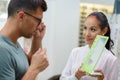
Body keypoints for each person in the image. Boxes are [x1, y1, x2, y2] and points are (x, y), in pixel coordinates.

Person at [60, 12, 119, 80]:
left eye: (92, 29)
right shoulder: (75, 52)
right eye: (85, 28)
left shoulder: (111, 60)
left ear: (104, 31)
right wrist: (76, 76)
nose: (87, 34)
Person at [0, 0, 49, 80]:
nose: (39, 26)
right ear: (21, 16)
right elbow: (31, 68)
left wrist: (37, 39)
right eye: (38, 20)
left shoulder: (13, 43)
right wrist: (34, 69)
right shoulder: (2, 50)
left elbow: (26, 66)